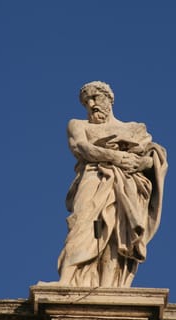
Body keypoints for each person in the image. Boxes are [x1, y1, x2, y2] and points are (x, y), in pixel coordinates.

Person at [58, 81, 168, 287]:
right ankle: (66, 280)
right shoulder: (78, 125)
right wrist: (116, 157)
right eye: (86, 101)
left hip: (128, 183)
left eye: (95, 98)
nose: (91, 104)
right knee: (83, 223)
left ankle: (110, 286)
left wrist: (141, 162)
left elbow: (154, 159)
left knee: (117, 233)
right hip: (94, 177)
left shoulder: (134, 128)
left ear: (109, 99)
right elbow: (81, 148)